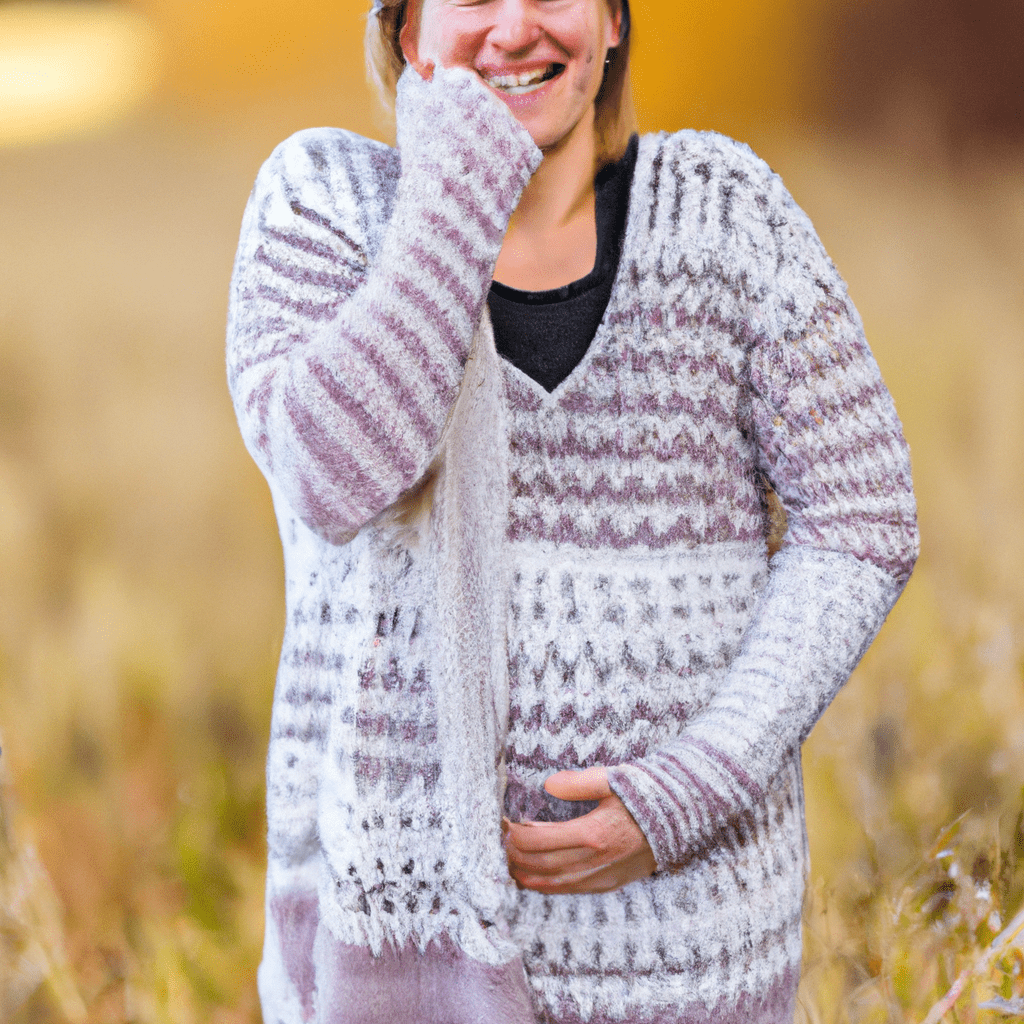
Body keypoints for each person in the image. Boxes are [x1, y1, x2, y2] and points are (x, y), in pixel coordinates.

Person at [226, 0, 919, 1020]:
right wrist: (457, 189)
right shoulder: (322, 202)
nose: (514, 26)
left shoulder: (725, 215)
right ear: (407, 33)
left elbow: (861, 516)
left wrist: (694, 784)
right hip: (394, 938)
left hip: (687, 941)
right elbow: (334, 475)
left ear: (610, 22)